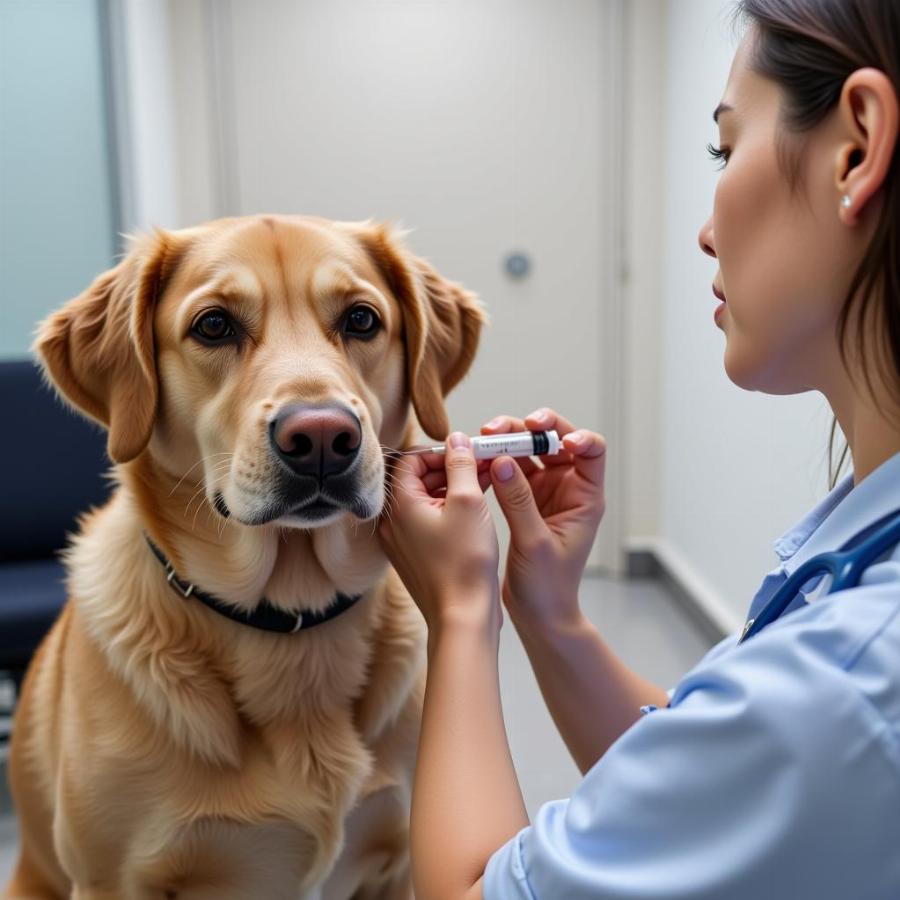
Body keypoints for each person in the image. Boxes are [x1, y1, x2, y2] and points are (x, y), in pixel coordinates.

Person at [377, 1, 900, 897]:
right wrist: (551, 616)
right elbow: (715, 794)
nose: (703, 230)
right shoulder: (856, 575)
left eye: (726, 149)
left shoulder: (852, 680)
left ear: (856, 147)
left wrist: (463, 611)